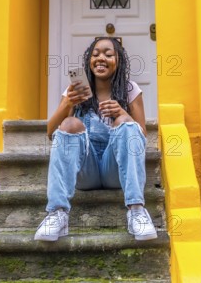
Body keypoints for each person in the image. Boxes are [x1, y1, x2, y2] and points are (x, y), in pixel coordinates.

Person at [34, 37, 157, 242]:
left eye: (108, 54)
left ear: (119, 61)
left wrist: (121, 113)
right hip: (85, 170)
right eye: (96, 54)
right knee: (70, 124)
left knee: (127, 122)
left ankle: (136, 211)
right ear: (88, 60)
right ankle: (57, 214)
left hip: (115, 170)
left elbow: (142, 135)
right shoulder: (75, 90)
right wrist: (67, 105)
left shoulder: (130, 90)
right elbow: (50, 132)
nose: (101, 58)